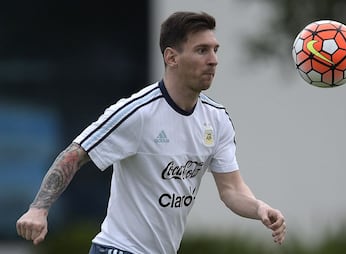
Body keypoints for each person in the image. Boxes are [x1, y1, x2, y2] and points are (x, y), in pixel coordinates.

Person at [16, 11, 287, 254]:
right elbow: (75, 153)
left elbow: (231, 190)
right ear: (172, 57)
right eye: (202, 50)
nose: (213, 60)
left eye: (215, 50)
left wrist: (259, 208)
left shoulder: (217, 119)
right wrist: (39, 209)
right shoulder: (138, 112)